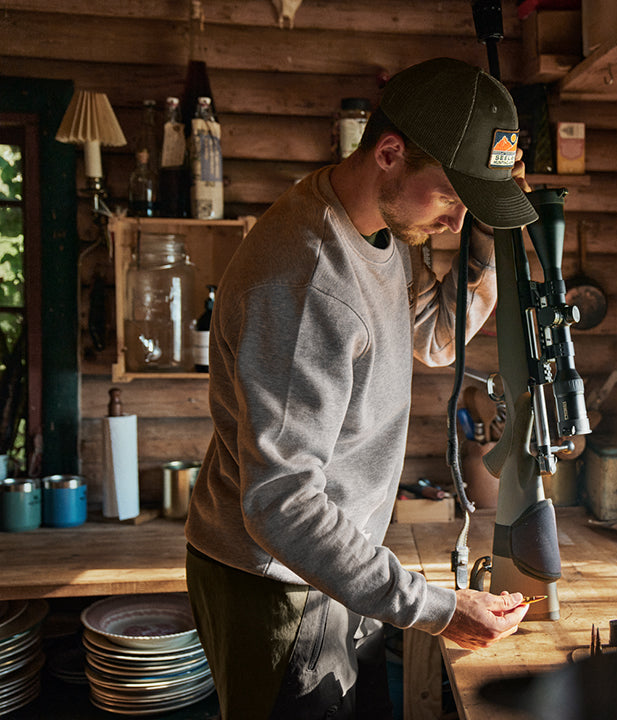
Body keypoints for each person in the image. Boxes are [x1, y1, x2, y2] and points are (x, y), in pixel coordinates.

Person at [184, 57, 540, 719]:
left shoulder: (379, 228)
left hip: (336, 565)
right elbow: (282, 504)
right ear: (389, 153)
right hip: (280, 582)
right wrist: (435, 608)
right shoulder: (307, 281)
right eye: (450, 197)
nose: (455, 222)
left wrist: (487, 226)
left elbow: (435, 337)